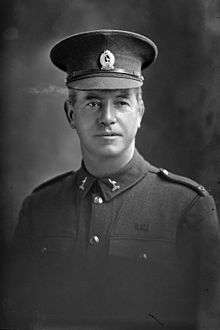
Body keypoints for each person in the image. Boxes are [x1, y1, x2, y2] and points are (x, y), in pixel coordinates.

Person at [3, 30, 220, 330]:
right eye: (92, 103)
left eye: (121, 102)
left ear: (140, 112)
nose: (107, 117)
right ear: (70, 114)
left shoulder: (188, 208)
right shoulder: (39, 207)